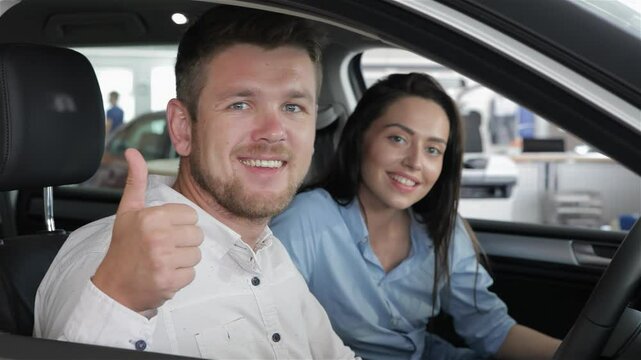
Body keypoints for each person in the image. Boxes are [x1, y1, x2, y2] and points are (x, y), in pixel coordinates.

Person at [34, 6, 357, 359]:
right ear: (183, 128)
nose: (273, 132)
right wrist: (117, 300)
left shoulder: (268, 249)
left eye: (293, 107)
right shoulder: (106, 265)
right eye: (240, 105)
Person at [270, 73, 561, 360]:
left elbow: (491, 329)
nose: (415, 162)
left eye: (433, 150)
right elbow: (271, 333)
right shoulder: (306, 219)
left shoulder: (441, 228)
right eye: (398, 139)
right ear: (360, 137)